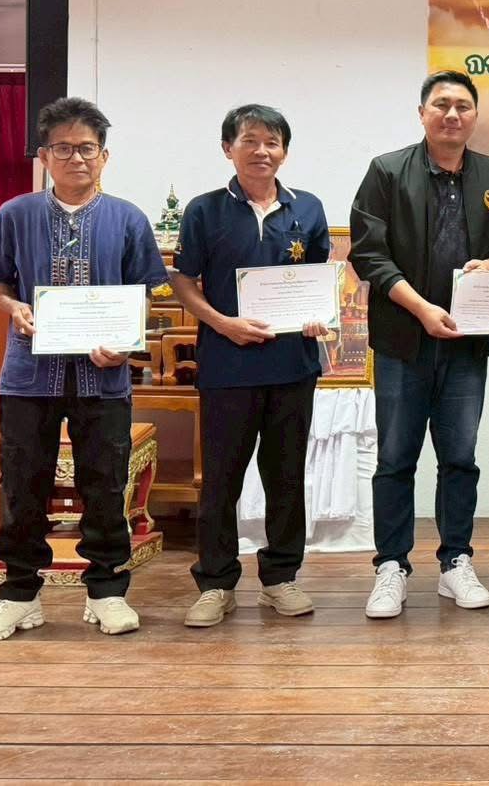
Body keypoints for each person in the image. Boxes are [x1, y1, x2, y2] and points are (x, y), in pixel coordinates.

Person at [0, 97, 168, 642]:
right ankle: (18, 594)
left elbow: (146, 292)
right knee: (21, 483)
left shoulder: (128, 218)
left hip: (104, 378)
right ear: (44, 156)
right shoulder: (15, 214)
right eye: (63, 148)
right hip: (28, 375)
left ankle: (106, 590)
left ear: (104, 156)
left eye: (87, 148)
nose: (76, 158)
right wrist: (15, 307)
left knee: (105, 484)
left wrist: (126, 344)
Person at [351, 71, 489, 617]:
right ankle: (391, 566)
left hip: (466, 345)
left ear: (474, 116)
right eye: (441, 104)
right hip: (403, 340)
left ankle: (456, 561)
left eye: (463, 106)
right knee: (395, 458)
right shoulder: (386, 171)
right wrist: (422, 309)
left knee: (459, 458)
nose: (452, 114)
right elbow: (369, 254)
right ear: (422, 113)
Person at [170, 105, 332, 628]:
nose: (262, 150)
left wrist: (317, 317)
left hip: (293, 367)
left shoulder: (308, 208)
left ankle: (280, 578)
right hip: (227, 366)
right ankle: (216, 583)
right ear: (228, 148)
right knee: (221, 480)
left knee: (286, 477)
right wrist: (223, 323)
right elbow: (182, 281)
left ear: (284, 151)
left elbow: (318, 282)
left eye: (272, 142)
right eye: (250, 140)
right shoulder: (204, 210)